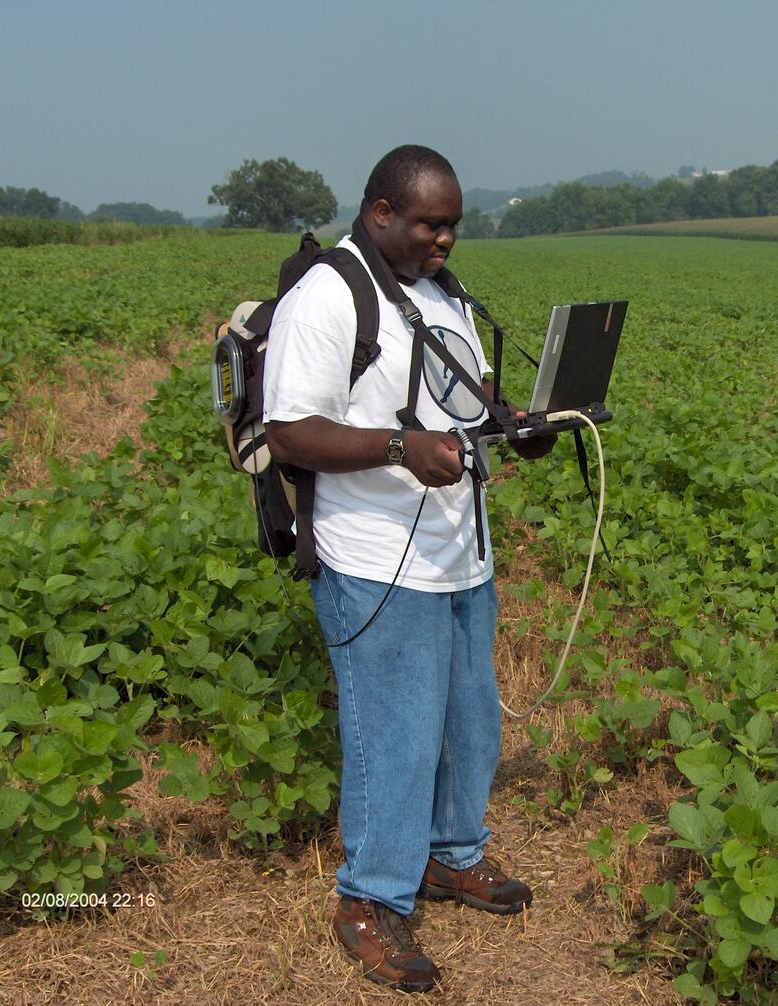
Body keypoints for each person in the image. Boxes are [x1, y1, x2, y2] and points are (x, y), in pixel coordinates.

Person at [263, 145, 555, 993]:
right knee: (397, 734)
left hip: (460, 549)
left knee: (469, 724)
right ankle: (369, 901)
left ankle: (451, 858)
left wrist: (518, 426)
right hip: (375, 559)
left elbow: (471, 401)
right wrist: (398, 445)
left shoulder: (444, 294)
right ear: (381, 212)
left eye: (454, 226)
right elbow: (290, 431)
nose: (446, 241)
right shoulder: (328, 296)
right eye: (431, 224)